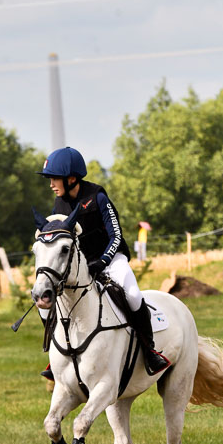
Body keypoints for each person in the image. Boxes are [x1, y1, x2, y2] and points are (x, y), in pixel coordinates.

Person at [36, 146, 170, 379]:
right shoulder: (58, 206)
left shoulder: (97, 197)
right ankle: (56, 356)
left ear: (71, 178)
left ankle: (150, 351)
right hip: (80, 266)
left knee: (133, 294)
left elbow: (116, 236)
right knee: (48, 302)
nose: (51, 184)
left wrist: (103, 261)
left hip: (110, 259)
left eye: (54, 179)